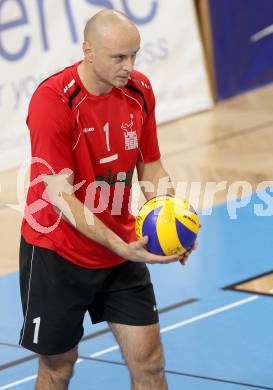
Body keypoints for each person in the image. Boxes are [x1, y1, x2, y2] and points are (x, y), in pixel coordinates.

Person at [19, 8, 195, 390]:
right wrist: (121, 245)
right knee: (59, 368)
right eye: (119, 57)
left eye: (135, 55)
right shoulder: (53, 102)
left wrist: (172, 219)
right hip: (57, 253)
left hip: (121, 248)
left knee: (150, 363)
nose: (129, 66)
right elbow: (59, 196)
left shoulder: (139, 91)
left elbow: (151, 167)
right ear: (88, 51)